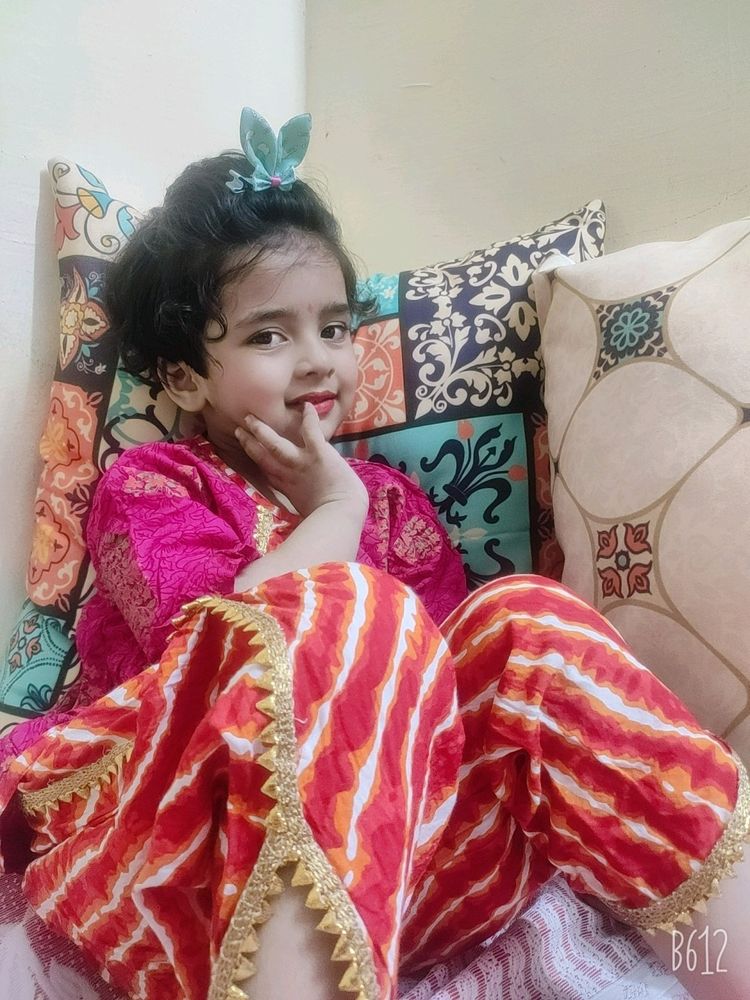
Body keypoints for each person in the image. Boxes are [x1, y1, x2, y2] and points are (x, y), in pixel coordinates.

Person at [0, 108, 748, 1000]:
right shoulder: (154, 484)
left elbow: (437, 714)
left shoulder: (395, 507)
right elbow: (219, 659)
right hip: (174, 870)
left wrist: (355, 506)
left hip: (393, 884)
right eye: (269, 335)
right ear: (184, 377)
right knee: (353, 610)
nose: (318, 360)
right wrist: (335, 509)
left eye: (334, 327)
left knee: (528, 622)